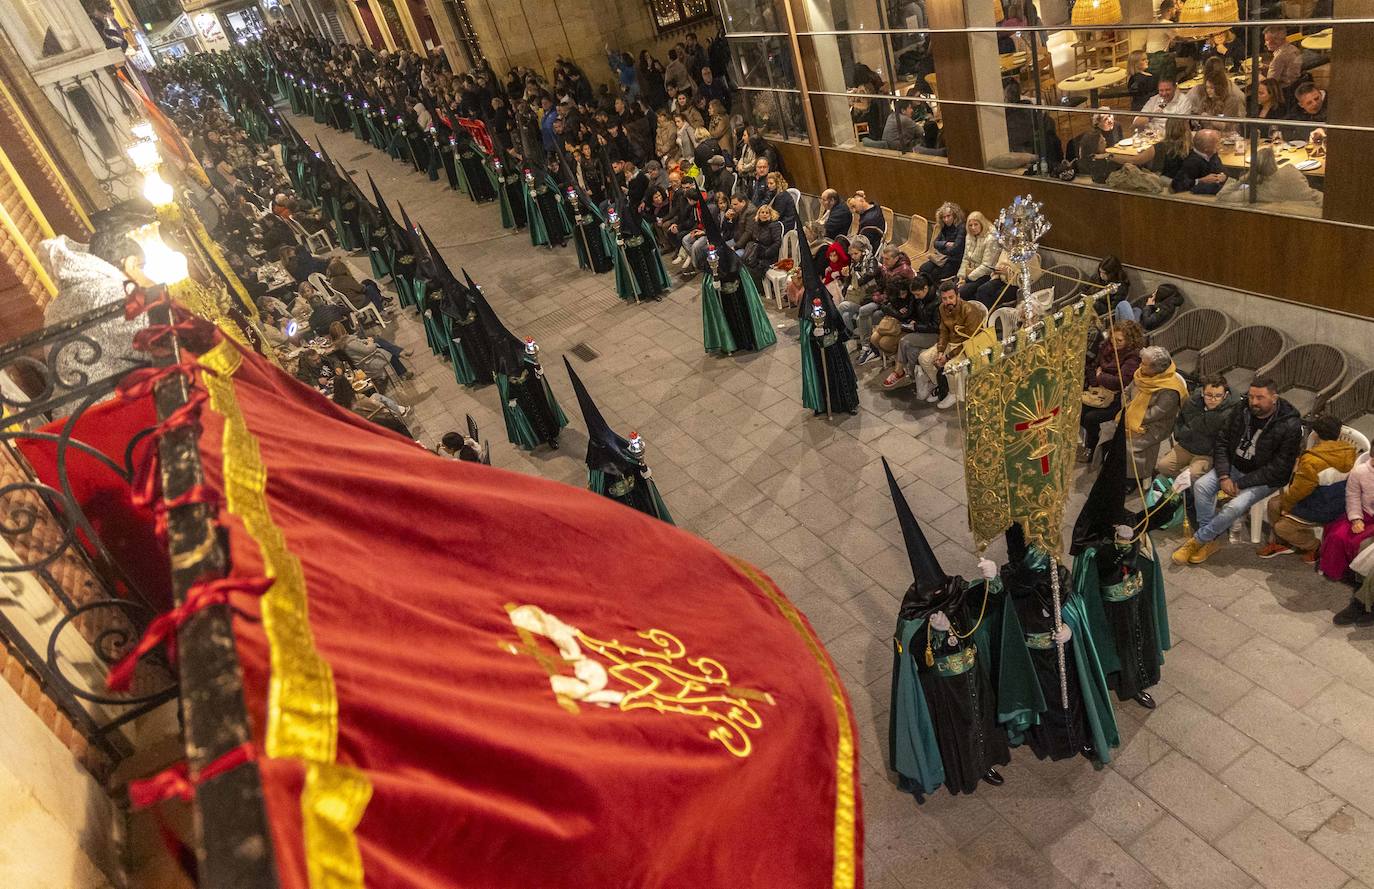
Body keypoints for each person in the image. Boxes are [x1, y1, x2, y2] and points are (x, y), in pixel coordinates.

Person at [885, 458, 1010, 797]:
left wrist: (992, 579)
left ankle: (988, 762)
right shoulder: (914, 616)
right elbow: (911, 656)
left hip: (972, 673)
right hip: (942, 689)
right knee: (958, 731)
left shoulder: (954, 593)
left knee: (982, 719)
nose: (941, 598)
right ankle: (962, 771)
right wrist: (935, 631)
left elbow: (984, 601)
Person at [999, 522, 1119, 765]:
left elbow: (1074, 605)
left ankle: (1078, 738)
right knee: (1043, 700)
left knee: (1072, 697)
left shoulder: (1058, 575)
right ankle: (1044, 738)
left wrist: (1070, 627)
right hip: (1033, 657)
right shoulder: (1015, 585)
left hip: (1060, 652)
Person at [1070, 428, 1171, 710]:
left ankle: (1140, 680)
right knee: (1121, 648)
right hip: (1111, 606)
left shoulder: (1124, 518)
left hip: (1134, 597)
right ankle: (1124, 684)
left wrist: (1173, 496)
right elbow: (1097, 558)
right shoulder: (1092, 533)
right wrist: (1122, 546)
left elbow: (1146, 521)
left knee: (1141, 641)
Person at [1173, 377, 1303, 565]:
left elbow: (1278, 468)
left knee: (1233, 507)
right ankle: (1211, 540)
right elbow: (1222, 442)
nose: (1254, 402)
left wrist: (1240, 483)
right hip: (1234, 467)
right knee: (1201, 485)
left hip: (1264, 478)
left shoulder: (1290, 425)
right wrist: (1225, 475)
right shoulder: (1241, 410)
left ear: (1274, 398)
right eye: (1251, 396)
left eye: (1260, 397)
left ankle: (1198, 540)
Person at [564, 358, 673, 523]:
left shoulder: (620, 449)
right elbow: (598, 491)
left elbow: (636, 467)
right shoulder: (597, 466)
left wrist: (643, 471)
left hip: (637, 502)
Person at [1257, 414, 1356, 563]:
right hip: (1340, 503)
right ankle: (1281, 543)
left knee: (1281, 525)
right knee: (1273, 504)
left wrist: (1286, 507)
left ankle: (1314, 546)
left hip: (1319, 507)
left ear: (1315, 434)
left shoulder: (1312, 460)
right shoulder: (1349, 451)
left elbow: (1298, 491)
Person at [698, 194, 777, 356]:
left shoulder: (729, 254)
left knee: (742, 317)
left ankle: (747, 340)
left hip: (737, 291)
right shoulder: (715, 250)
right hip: (725, 294)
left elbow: (737, 268)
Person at [796, 242, 860, 417]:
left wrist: (831, 331)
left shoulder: (825, 296)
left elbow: (835, 317)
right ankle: (822, 404)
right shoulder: (807, 300)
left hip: (833, 343)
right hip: (816, 348)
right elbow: (804, 323)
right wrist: (811, 331)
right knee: (820, 375)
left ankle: (848, 403)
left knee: (838, 372)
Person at [1079, 321, 1144, 463]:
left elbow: (1120, 382)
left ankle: (1093, 446)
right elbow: (1091, 366)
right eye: (1112, 338)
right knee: (1080, 411)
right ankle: (1093, 442)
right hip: (1098, 392)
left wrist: (1100, 376)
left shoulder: (1132, 357)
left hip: (1117, 399)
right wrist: (1096, 382)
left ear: (1129, 340)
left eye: (1119, 340)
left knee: (1091, 418)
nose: (1114, 342)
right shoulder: (1106, 346)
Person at [1121, 345, 1188, 481]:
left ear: (1156, 369)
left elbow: (1155, 414)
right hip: (1132, 415)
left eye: (1144, 364)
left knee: (1129, 445)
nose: (1140, 366)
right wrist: (1128, 408)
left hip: (1156, 425)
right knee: (1111, 433)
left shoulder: (1170, 390)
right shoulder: (1142, 374)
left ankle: (1136, 477)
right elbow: (1126, 392)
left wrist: (1131, 415)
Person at [1156, 374, 1240, 480]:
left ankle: (1188, 490)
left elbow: (1226, 440)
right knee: (1163, 466)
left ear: (1226, 395)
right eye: (1209, 395)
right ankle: (1180, 487)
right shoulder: (1193, 402)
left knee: (1192, 474)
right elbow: (1180, 419)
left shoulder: (1232, 412)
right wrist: (1181, 435)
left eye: (1218, 396)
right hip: (1186, 446)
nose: (1213, 399)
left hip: (1207, 453)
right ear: (1202, 393)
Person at [1324, 458, 1374, 621]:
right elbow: (1352, 496)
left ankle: (1362, 603)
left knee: (1364, 546)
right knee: (1339, 536)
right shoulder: (1360, 472)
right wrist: (1356, 518)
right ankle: (1346, 575)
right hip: (1364, 513)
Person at [918, 281, 981, 409]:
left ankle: (954, 394)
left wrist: (947, 357)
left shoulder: (969, 310)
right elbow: (943, 331)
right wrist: (941, 351)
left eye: (951, 297)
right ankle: (941, 385)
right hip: (950, 343)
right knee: (924, 358)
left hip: (966, 346)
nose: (948, 301)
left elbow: (969, 341)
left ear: (958, 296)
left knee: (949, 366)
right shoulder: (942, 307)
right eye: (944, 298)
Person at [855, 246, 916, 364]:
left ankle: (873, 348)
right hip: (886, 300)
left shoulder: (904, 270)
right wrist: (877, 295)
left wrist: (882, 299)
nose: (883, 262)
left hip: (895, 304)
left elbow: (906, 294)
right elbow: (882, 286)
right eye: (883, 259)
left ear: (896, 258)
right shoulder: (888, 268)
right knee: (862, 312)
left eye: (887, 259)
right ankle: (867, 347)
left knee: (873, 314)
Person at [954, 211, 996, 304]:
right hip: (969, 271)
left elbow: (986, 266)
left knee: (961, 293)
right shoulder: (969, 235)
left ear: (982, 224)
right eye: (970, 225)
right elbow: (965, 258)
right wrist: (961, 277)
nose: (973, 228)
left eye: (976, 224)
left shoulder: (991, 238)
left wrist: (967, 279)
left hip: (984, 274)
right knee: (953, 289)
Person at [1171, 127, 1228, 195]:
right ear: (1206, 149)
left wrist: (1222, 175)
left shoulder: (1213, 154)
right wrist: (1200, 181)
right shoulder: (1191, 162)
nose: (1220, 146)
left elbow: (1221, 168)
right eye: (1217, 144)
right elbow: (1176, 184)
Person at [920, 202, 965, 283]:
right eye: (944, 217)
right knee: (923, 268)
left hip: (954, 261)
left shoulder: (961, 228)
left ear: (955, 215)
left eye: (948, 216)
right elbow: (935, 243)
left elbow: (955, 249)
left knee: (933, 274)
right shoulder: (945, 227)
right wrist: (946, 244)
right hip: (942, 258)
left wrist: (941, 248)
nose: (946, 220)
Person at [1264, 25, 1302, 93]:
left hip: (1283, 92)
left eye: (1267, 40)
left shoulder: (1279, 57)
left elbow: (1270, 84)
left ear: (1276, 41)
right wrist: (1267, 67)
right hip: (1294, 86)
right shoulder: (1294, 49)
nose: (1265, 43)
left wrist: (1257, 75)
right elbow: (1286, 69)